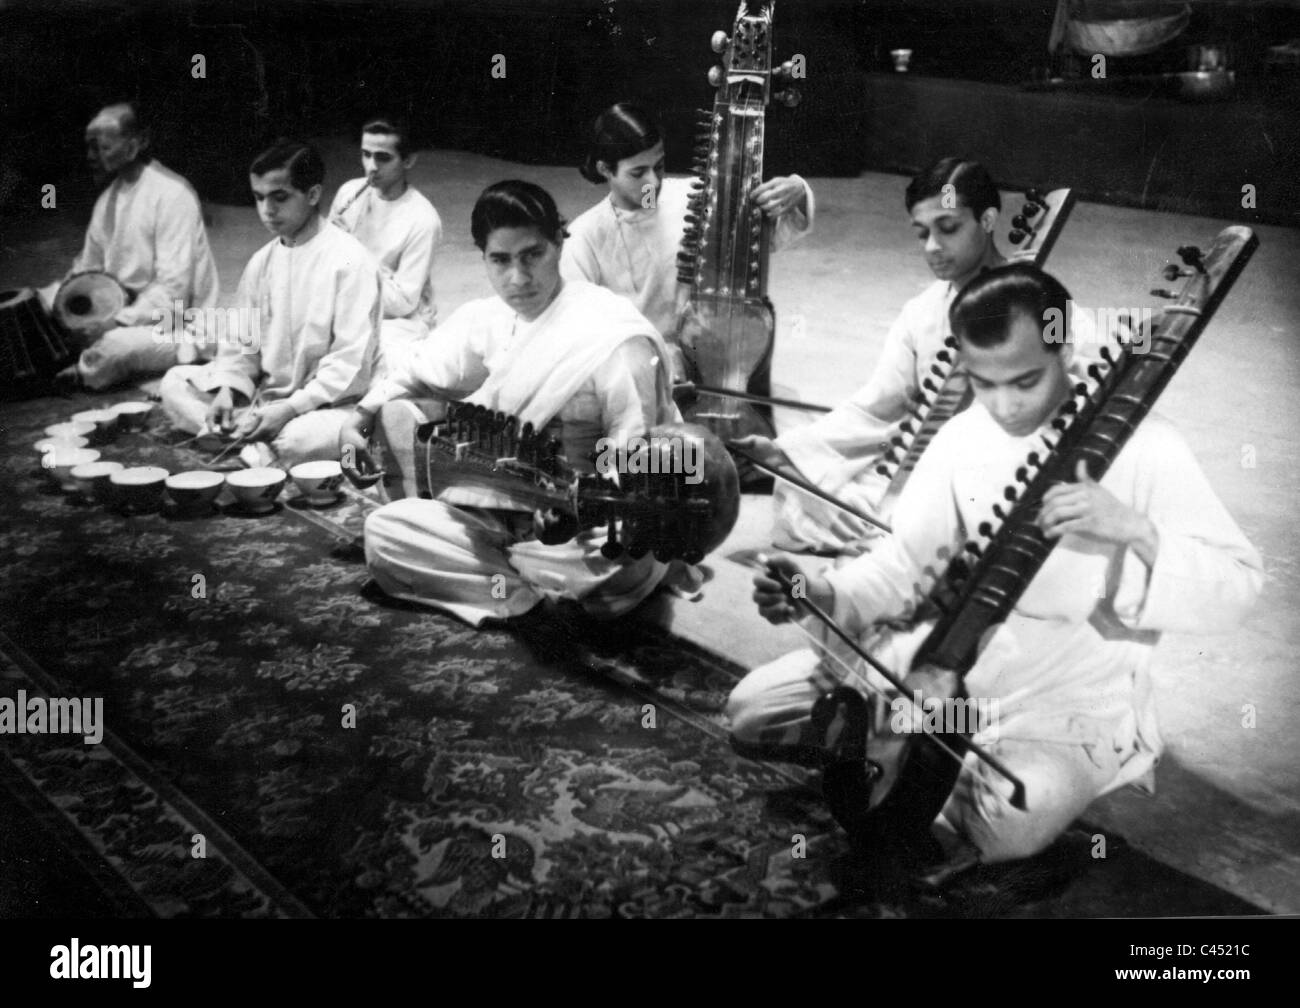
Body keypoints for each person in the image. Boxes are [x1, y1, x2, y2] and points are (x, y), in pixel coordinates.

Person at [730, 263, 1262, 867]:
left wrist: (1134, 530)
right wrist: (819, 592)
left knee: (1009, 818)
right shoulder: (963, 437)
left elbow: (1240, 585)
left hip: (1056, 701)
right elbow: (904, 562)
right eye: (984, 383)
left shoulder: (1146, 446)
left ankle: (914, 771)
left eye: (1025, 381)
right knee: (752, 711)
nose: (1004, 405)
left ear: (1063, 347)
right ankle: (918, 770)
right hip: (933, 676)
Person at [340, 180, 684, 627]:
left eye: (532, 255)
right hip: (497, 517)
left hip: (590, 523)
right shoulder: (487, 319)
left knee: (623, 556)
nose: (518, 278)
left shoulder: (612, 335)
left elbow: (636, 455)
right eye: (500, 260)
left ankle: (512, 586)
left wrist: (576, 513)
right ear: (483, 257)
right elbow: (414, 370)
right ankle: (532, 601)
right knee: (385, 532)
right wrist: (358, 418)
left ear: (559, 243)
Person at [736, 157, 1091, 556]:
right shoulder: (921, 313)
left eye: (949, 228)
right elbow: (875, 408)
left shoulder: (1046, 302)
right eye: (922, 234)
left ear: (988, 220)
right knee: (797, 494)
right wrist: (784, 451)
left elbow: (1081, 381)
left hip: (1011, 466)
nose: (933, 248)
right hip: (932, 468)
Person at [159, 140, 380, 469]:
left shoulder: (350, 261)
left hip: (329, 406)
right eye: (259, 198)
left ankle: (246, 441)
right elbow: (239, 346)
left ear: (314, 195)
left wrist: (291, 408)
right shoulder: (261, 262)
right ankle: (252, 442)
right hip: (265, 400)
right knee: (174, 381)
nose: (267, 210)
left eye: (279, 197)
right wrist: (226, 392)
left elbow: (349, 364)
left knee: (297, 439)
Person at [561, 102, 814, 378]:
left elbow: (766, 241)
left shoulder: (692, 199)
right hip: (636, 372)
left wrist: (797, 192)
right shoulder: (584, 237)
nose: (653, 182)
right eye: (638, 172)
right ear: (606, 170)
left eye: (659, 166)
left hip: (705, 355)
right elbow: (578, 332)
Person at [53, 101, 219, 390]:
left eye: (102, 148)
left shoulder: (172, 194)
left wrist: (117, 322)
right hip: (120, 316)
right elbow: (86, 270)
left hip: (176, 324)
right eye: (90, 148)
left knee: (114, 349)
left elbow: (174, 291)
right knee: (40, 304)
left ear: (138, 142)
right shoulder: (107, 199)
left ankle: (73, 372)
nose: (92, 156)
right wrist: (61, 307)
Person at [327, 114, 442, 378]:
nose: (371, 167)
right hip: (349, 303)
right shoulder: (349, 193)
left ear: (408, 160)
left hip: (398, 321)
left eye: (383, 157)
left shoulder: (423, 220)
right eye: (366, 155)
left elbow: (401, 303)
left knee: (367, 364)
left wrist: (350, 253)